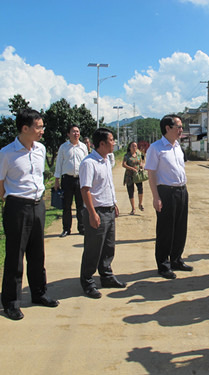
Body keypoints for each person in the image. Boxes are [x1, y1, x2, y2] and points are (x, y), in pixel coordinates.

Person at [0, 109, 59, 321]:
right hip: (17, 207)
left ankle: (39, 293)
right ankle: (11, 303)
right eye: (38, 127)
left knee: (37, 253)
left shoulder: (40, 149)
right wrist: (12, 201)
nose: (42, 131)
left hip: (38, 206)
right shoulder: (6, 153)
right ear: (25, 128)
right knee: (15, 256)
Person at [79, 127, 126, 299]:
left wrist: (114, 204)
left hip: (109, 209)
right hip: (97, 211)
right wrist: (92, 213)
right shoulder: (89, 163)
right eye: (112, 140)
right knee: (93, 248)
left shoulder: (106, 160)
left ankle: (106, 276)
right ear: (102, 143)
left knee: (108, 247)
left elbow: (107, 185)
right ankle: (87, 281)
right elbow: (85, 190)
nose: (114, 143)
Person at [145, 115, 193, 279]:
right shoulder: (156, 148)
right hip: (166, 192)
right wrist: (156, 197)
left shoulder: (178, 146)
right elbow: (151, 173)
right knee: (166, 230)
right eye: (178, 127)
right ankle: (163, 265)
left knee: (181, 228)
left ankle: (176, 259)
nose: (181, 130)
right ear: (167, 128)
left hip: (181, 191)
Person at [54, 124, 88, 237]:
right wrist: (57, 180)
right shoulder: (63, 147)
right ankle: (66, 229)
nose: (76, 134)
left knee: (80, 205)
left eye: (77, 131)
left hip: (80, 179)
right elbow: (58, 164)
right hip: (67, 180)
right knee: (66, 206)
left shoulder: (83, 147)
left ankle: (82, 228)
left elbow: (87, 164)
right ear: (68, 134)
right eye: (73, 131)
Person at [122, 141, 145, 215]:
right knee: (131, 191)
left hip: (137, 175)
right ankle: (133, 208)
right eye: (133, 146)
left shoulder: (138, 154)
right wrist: (132, 168)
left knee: (140, 189)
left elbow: (141, 162)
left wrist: (141, 166)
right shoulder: (127, 155)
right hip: (129, 176)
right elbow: (124, 164)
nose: (135, 147)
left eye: (135, 146)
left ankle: (140, 204)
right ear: (130, 147)